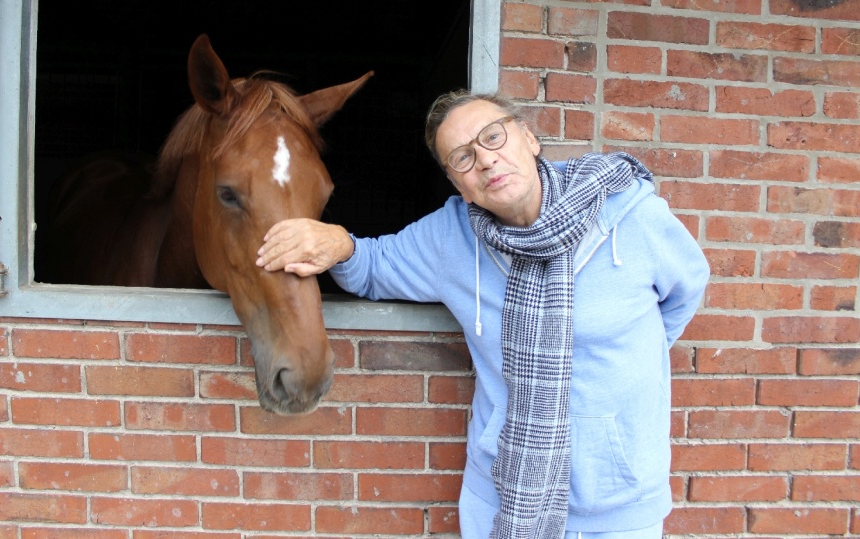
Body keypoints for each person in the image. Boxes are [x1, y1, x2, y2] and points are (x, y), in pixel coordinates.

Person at [256, 90, 709, 538]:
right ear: (457, 184)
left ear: (529, 139)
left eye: (493, 137)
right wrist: (341, 243)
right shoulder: (452, 237)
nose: (486, 160)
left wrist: (628, 361)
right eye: (462, 157)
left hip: (618, 502)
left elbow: (685, 291)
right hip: (500, 497)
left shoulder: (632, 217)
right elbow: (375, 268)